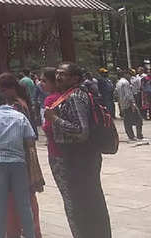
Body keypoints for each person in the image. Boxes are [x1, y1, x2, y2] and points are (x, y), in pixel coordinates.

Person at [44, 62, 112, 238]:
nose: (58, 77)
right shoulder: (72, 94)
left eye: (63, 74)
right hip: (78, 156)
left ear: (75, 78)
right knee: (87, 201)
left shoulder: (75, 96)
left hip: (80, 157)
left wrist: (55, 119)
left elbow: (81, 131)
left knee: (84, 203)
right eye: (57, 73)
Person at [0, 91, 36, 238]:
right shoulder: (20, 116)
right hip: (18, 162)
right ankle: (30, 234)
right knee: (23, 203)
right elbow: (30, 141)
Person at [0, 73, 43, 238]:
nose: (1, 94)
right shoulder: (21, 102)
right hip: (23, 154)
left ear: (9, 89)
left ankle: (23, 230)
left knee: (18, 198)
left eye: (2, 90)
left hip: (17, 155)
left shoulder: (15, 106)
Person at [41, 67, 76, 236]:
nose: (41, 84)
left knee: (68, 197)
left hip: (57, 153)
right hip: (73, 153)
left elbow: (48, 128)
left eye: (44, 80)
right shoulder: (71, 96)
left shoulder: (51, 100)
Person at [116, 70, 143, 141]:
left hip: (123, 104)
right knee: (139, 120)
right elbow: (128, 94)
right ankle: (139, 135)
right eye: (129, 74)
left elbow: (116, 94)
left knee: (127, 121)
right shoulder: (125, 82)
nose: (130, 76)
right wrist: (133, 103)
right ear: (125, 74)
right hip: (129, 104)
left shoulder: (118, 83)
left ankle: (131, 136)